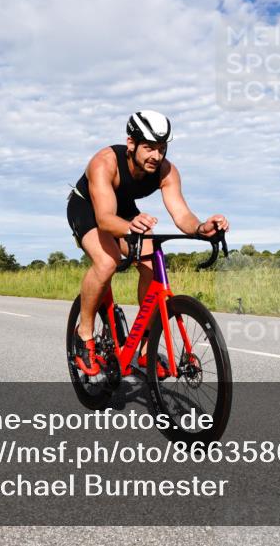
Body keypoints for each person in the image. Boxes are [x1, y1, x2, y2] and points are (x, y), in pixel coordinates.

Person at [67, 111, 229, 373]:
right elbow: (106, 219)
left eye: (162, 148)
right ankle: (83, 333)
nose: (156, 155)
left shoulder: (166, 170)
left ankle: (145, 347)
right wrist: (129, 227)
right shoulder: (104, 162)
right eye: (149, 148)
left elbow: (181, 215)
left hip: (123, 209)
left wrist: (201, 228)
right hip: (88, 208)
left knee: (154, 265)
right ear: (131, 143)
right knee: (107, 262)